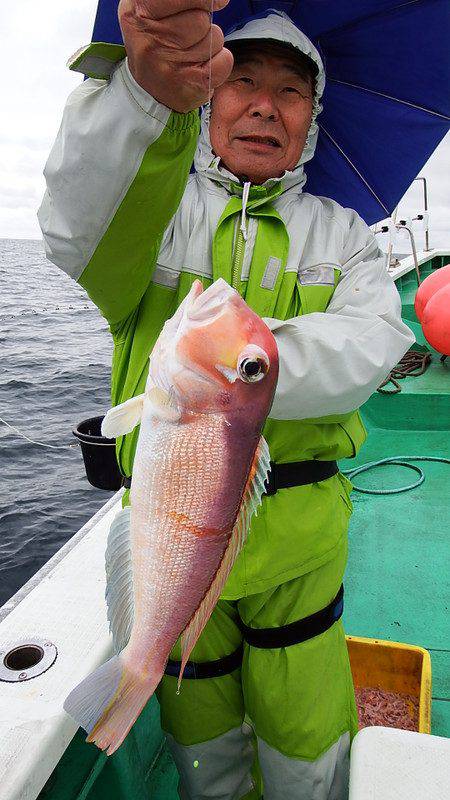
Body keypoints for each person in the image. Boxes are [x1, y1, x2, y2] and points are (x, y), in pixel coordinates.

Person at [38, 2, 414, 798]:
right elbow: (75, 226)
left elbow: (371, 343)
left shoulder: (344, 233)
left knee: (307, 736)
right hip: (168, 533)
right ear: (209, 95)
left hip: (302, 549)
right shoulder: (152, 209)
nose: (264, 104)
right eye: (242, 79)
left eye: (291, 91)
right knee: (200, 742)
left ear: (312, 118)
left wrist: (242, 364)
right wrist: (143, 96)